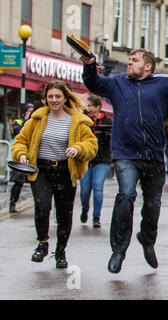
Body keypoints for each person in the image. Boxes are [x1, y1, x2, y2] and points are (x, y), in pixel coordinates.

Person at [81, 49, 168, 273]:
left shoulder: (164, 86)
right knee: (125, 195)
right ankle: (118, 249)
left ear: (147, 66)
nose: (129, 62)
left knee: (153, 205)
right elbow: (93, 83)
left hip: (154, 156)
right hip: (126, 154)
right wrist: (89, 64)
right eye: (129, 59)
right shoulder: (117, 83)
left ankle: (147, 238)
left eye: (134, 60)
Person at [11, 80, 98, 268]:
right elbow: (20, 141)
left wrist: (78, 148)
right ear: (45, 99)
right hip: (41, 170)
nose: (54, 100)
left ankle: (60, 251)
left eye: (58, 96)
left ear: (66, 98)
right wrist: (22, 154)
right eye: (50, 96)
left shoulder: (77, 120)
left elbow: (92, 146)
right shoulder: (37, 118)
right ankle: (42, 243)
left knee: (64, 214)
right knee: (42, 207)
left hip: (66, 170)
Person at [79, 95, 113, 228]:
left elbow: (111, 139)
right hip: (86, 159)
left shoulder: (107, 121)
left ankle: (96, 216)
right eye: (87, 106)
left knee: (97, 186)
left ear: (98, 107)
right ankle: (85, 208)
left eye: (91, 106)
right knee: (85, 190)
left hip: (102, 159)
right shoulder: (83, 120)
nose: (89, 108)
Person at [9, 103, 34, 213]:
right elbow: (19, 133)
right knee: (18, 182)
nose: (30, 113)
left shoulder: (35, 123)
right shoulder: (17, 122)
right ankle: (12, 203)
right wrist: (26, 120)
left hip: (32, 156)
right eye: (29, 111)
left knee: (36, 182)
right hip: (20, 157)